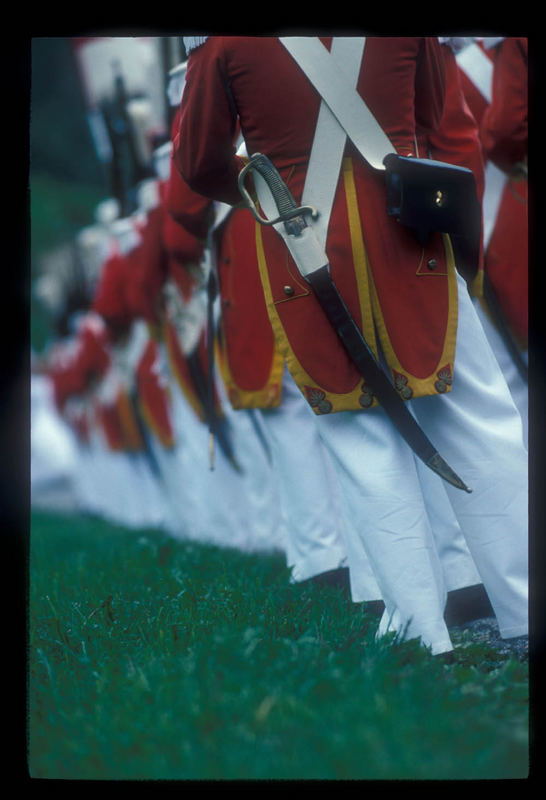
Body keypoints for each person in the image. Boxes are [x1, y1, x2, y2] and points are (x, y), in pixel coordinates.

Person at [174, 36, 528, 657]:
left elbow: (200, 162)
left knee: (363, 446)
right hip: (411, 239)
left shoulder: (221, 40)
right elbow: (432, 113)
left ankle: (421, 636)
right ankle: (526, 610)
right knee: (481, 426)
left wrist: (275, 186)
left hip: (304, 253)